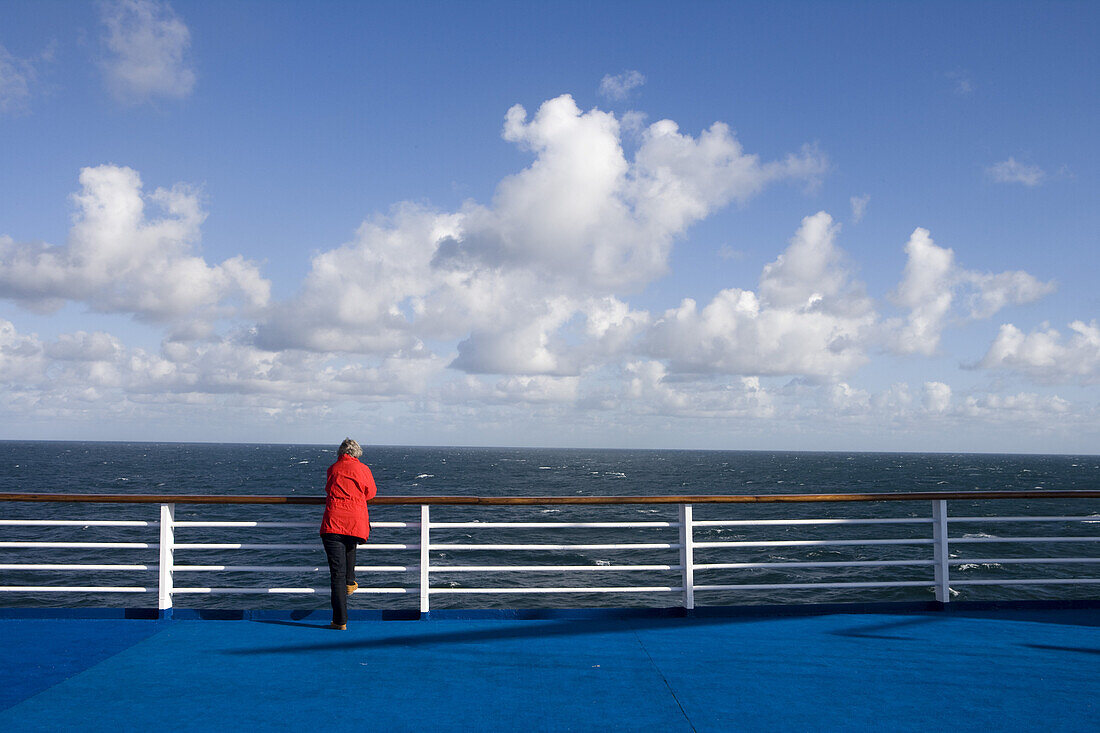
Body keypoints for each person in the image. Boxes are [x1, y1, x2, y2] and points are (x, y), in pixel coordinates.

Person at [320, 438, 377, 630]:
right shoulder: (364, 470)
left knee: (336, 574)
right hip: (355, 522)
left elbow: (328, 489)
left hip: (334, 522)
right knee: (350, 544)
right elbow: (371, 493)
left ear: (340, 453)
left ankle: (340, 621)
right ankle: (350, 581)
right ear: (357, 454)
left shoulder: (333, 468)